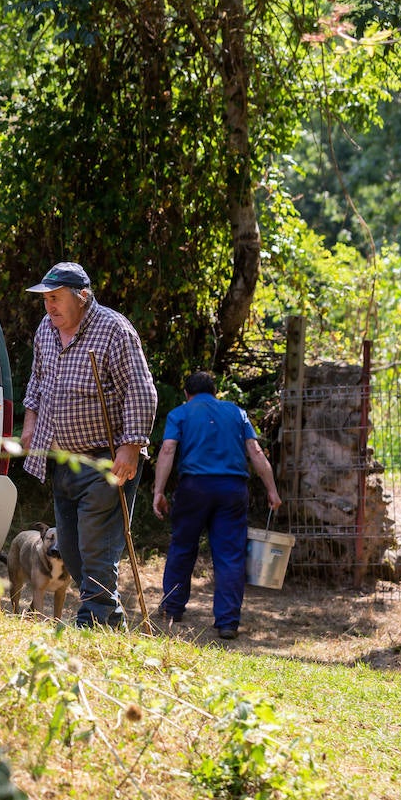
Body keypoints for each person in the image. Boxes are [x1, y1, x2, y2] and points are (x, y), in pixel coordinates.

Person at [19, 261, 158, 628]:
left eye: (56, 298)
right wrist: (31, 424)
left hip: (105, 459)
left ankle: (91, 621)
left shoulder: (114, 329)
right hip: (62, 458)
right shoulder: (46, 331)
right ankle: (110, 617)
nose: (49, 306)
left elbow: (141, 390)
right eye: (45, 299)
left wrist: (131, 445)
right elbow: (37, 383)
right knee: (70, 548)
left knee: (96, 543)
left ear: (82, 296)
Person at [151, 370, 283, 639]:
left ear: (187, 394)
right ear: (215, 392)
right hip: (232, 490)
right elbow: (256, 451)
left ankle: (172, 609)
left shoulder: (181, 413)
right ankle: (227, 622)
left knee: (183, 546)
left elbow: (167, 450)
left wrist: (159, 491)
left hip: (194, 488)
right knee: (230, 554)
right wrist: (272, 490)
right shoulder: (236, 413)